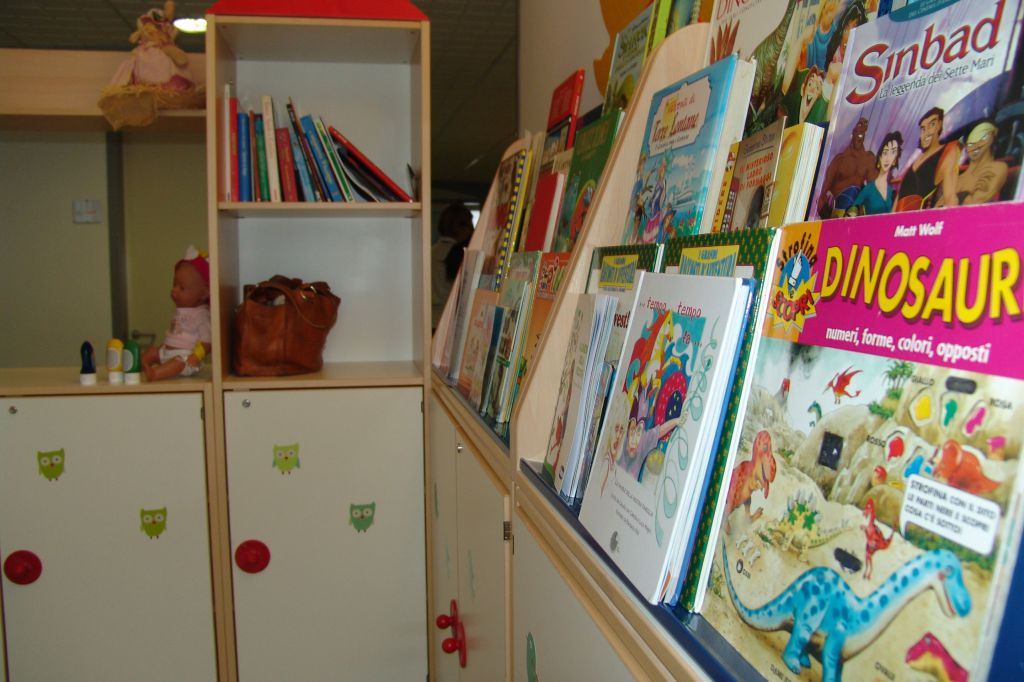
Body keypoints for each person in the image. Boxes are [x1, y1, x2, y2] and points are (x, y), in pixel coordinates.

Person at [141, 246, 211, 381]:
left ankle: (155, 374)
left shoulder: (201, 315)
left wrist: (196, 356)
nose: (174, 290)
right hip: (166, 352)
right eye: (174, 285)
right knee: (152, 351)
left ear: (204, 293)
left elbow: (207, 342)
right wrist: (164, 348)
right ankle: (137, 367)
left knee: (178, 363)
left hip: (186, 357)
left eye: (182, 288)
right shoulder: (181, 310)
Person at [894, 106, 960, 211]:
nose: (926, 132)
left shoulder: (947, 152)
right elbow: (897, 201)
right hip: (897, 219)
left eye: (932, 125)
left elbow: (950, 198)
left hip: (919, 219)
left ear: (939, 125)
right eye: (923, 129)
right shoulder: (914, 162)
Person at [816, 117, 877, 217]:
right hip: (837, 215)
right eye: (859, 125)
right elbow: (821, 196)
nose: (862, 128)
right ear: (852, 132)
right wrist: (828, 217)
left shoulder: (869, 159)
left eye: (864, 125)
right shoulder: (839, 160)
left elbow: (875, 193)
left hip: (859, 217)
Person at [431, 201, 474, 328]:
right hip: (448, 322)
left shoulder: (429, 252)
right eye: (470, 226)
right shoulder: (459, 254)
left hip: (428, 319)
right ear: (461, 228)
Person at [850, 131, 903, 215]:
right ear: (880, 157)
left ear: (895, 160)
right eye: (885, 152)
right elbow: (853, 208)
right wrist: (853, 212)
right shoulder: (869, 188)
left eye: (893, 152)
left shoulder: (892, 192)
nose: (887, 158)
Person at [957, 121, 1009, 205]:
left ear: (992, 137)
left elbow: (974, 203)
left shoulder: (997, 168)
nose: (977, 145)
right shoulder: (957, 179)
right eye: (970, 144)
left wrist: (960, 195)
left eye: (983, 138)